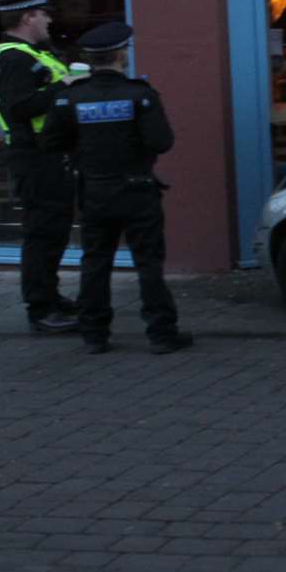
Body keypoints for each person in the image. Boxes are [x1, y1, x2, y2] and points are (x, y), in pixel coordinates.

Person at [39, 22, 192, 355]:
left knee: (95, 262)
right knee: (148, 263)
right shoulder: (140, 95)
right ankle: (161, 334)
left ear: (90, 61)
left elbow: (51, 142)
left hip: (94, 191)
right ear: (121, 55)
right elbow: (161, 142)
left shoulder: (71, 98)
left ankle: (94, 334)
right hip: (137, 190)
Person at [0, 0, 79, 334]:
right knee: (43, 233)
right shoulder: (15, 59)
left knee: (53, 232)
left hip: (49, 154)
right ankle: (41, 309)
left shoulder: (30, 54)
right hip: (36, 156)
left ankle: (51, 297)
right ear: (28, 18)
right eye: (44, 14)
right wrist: (65, 86)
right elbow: (20, 107)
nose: (49, 20)